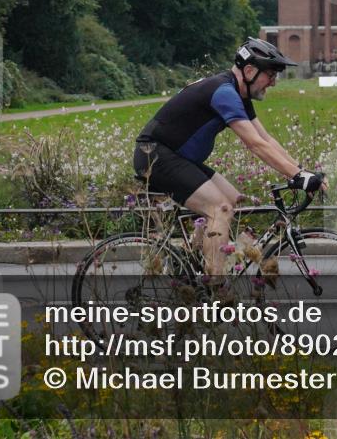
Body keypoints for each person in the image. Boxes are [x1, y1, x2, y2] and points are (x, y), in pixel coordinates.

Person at [133, 38, 326, 278]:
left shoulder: (237, 93)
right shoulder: (224, 92)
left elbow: (265, 138)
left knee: (236, 202)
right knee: (219, 209)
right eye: (271, 75)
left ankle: (191, 264)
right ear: (249, 71)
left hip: (177, 157)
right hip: (155, 156)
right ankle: (215, 285)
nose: (274, 82)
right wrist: (296, 175)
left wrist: (302, 171)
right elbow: (254, 144)